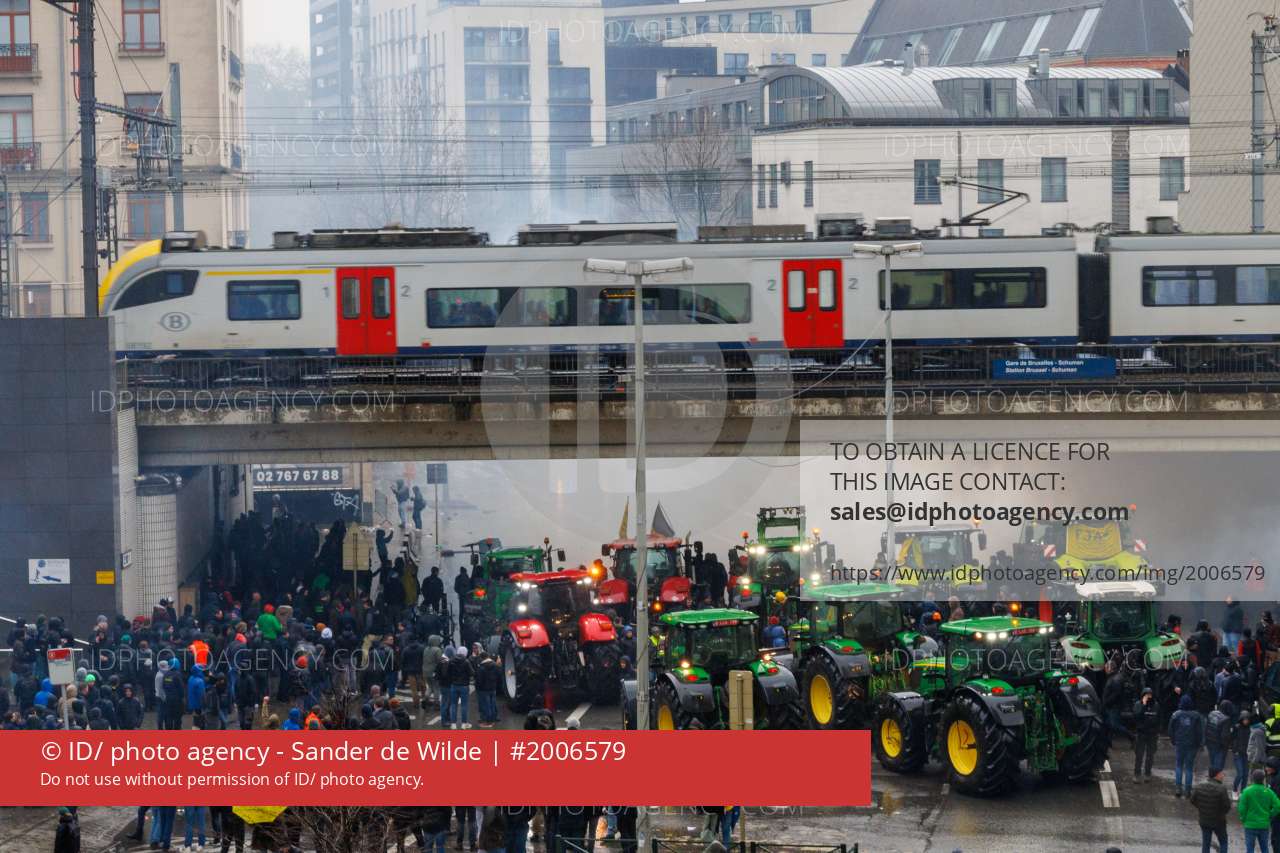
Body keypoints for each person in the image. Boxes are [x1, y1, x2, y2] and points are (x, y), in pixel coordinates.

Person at [1170, 694, 1207, 798]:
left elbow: (1171, 729)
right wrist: (1200, 744)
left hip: (1180, 743)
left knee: (1179, 765)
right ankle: (1188, 790)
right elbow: (1200, 731)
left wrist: (1173, 740)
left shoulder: (1176, 715)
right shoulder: (1196, 716)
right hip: (1192, 745)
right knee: (1189, 767)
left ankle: (1178, 788)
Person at [1191, 766, 1233, 853]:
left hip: (1204, 820)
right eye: (1221, 774)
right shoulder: (1222, 788)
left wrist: (1201, 808)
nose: (1223, 776)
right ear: (1217, 775)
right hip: (1219, 821)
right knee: (1223, 841)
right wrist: (1221, 813)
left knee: (1206, 843)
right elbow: (1227, 806)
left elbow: (1192, 800)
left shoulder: (1199, 786)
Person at [1241, 768, 1280, 853]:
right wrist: (1270, 814)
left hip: (1250, 824)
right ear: (1263, 779)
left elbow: (1242, 808)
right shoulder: (1268, 791)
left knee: (1250, 848)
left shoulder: (1247, 791)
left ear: (1253, 778)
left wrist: (1244, 819)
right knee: (1264, 848)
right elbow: (1278, 806)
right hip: (1264, 824)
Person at [1133, 687, 1160, 782]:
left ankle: (1147, 773)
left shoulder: (1156, 705)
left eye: (1150, 695)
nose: (1148, 697)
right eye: (1146, 695)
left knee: (1150, 755)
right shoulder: (1138, 704)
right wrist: (1143, 705)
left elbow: (1159, 718)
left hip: (1152, 734)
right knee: (1139, 755)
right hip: (1141, 733)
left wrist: (1157, 732)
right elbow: (1136, 717)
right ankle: (1137, 774)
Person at [444, 647, 472, 729]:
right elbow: (472, 673)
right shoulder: (466, 661)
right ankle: (464, 724)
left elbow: (447, 673)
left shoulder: (451, 661)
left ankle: (453, 724)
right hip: (464, 686)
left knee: (453, 704)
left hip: (454, 685)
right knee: (464, 705)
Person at [1208, 699, 1236, 776]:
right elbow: (1225, 736)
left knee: (1212, 761)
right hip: (1219, 745)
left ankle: (1211, 776)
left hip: (1210, 741)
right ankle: (1216, 778)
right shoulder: (1226, 719)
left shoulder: (1212, 713)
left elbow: (1207, 727)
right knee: (1219, 764)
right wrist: (1227, 745)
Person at [473, 652, 500, 728]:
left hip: (483, 689)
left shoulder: (481, 667)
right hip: (493, 687)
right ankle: (494, 718)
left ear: (482, 658)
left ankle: (488, 721)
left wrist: (477, 686)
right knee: (493, 704)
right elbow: (498, 675)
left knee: (486, 705)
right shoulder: (495, 665)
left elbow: (479, 679)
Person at [1236, 709, 1255, 800]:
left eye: (1247, 719)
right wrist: (1235, 750)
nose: (1246, 721)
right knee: (1240, 773)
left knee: (1245, 774)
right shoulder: (1237, 728)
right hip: (1238, 754)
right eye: (1244, 719)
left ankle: (1243, 792)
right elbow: (1232, 739)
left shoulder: (1251, 729)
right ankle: (1235, 790)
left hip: (1247, 755)